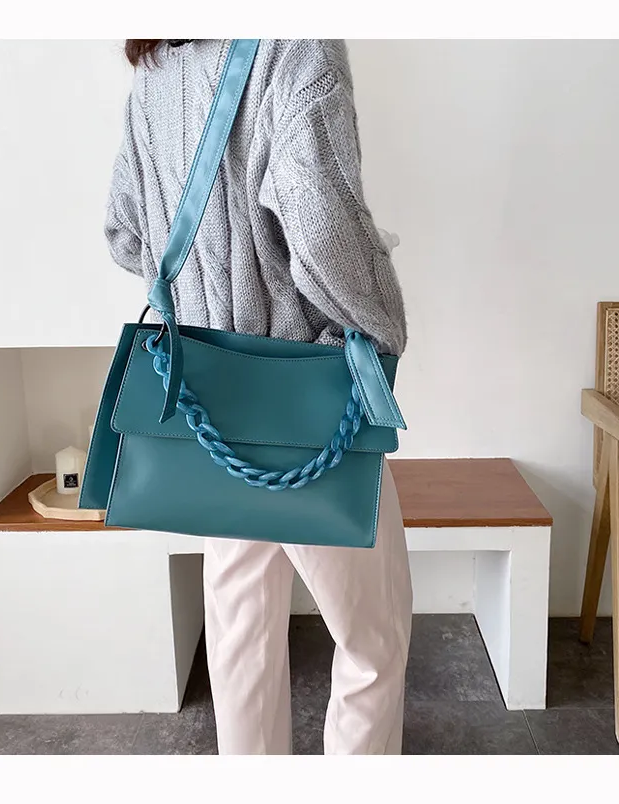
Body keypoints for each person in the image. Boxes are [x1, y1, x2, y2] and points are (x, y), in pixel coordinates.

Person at [105, 38, 412, 755]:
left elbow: (124, 231)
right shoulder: (295, 46)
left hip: (209, 402)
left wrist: (203, 296)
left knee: (241, 636)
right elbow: (324, 231)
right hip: (307, 401)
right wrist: (383, 325)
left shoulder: (157, 67)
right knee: (373, 644)